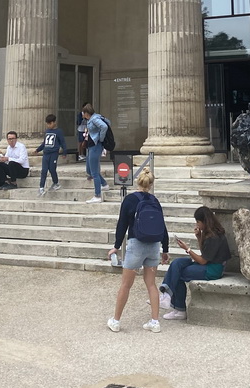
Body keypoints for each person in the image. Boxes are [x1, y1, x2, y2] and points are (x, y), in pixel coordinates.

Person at [106, 166, 169, 333]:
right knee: (151, 284)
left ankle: (116, 320)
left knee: (126, 285)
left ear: (137, 182)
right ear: (151, 184)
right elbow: (163, 226)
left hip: (136, 244)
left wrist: (116, 246)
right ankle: (155, 321)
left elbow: (122, 224)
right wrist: (165, 249)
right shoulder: (155, 201)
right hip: (153, 246)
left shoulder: (130, 200)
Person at [158, 206, 231, 321]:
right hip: (208, 264)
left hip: (214, 269)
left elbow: (203, 260)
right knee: (177, 263)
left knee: (179, 273)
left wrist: (187, 249)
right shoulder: (209, 233)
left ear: (204, 221)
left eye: (198, 222)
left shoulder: (215, 237)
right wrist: (198, 236)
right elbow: (205, 253)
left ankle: (178, 307)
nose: (197, 224)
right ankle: (167, 296)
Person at [82, 103, 110, 203]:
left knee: (94, 172)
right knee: (89, 169)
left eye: (83, 112)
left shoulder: (94, 119)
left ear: (86, 113)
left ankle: (97, 195)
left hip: (95, 146)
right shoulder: (93, 118)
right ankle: (104, 184)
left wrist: (100, 138)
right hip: (91, 147)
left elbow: (104, 127)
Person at [35, 115, 67, 195]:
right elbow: (44, 143)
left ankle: (56, 183)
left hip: (54, 153)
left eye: (50, 123)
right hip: (46, 153)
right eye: (48, 124)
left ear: (54, 122)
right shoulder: (47, 131)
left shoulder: (58, 132)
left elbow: (63, 142)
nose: (49, 125)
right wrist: (38, 149)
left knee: (52, 169)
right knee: (44, 170)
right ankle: (41, 187)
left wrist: (64, 152)